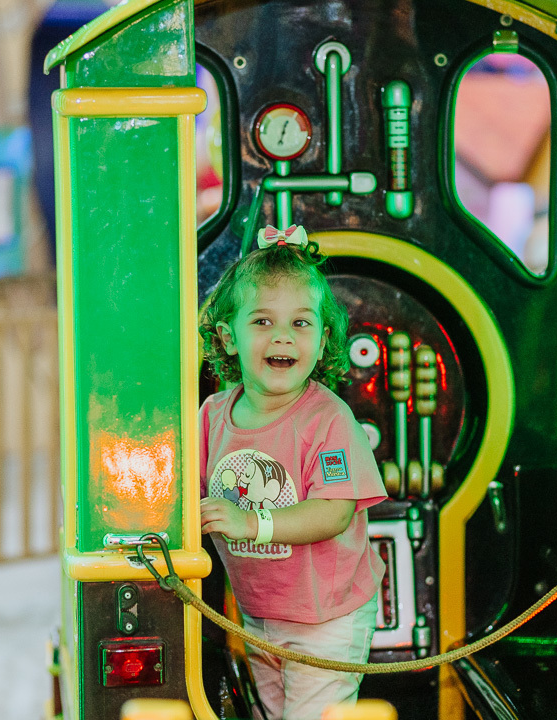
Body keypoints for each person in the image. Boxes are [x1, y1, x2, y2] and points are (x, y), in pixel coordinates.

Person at [198, 224, 387, 720]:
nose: (282, 335)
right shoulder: (213, 416)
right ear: (228, 337)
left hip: (327, 617)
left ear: (323, 342)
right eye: (262, 321)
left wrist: (250, 523)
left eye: (301, 323)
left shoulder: (327, 420)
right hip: (259, 613)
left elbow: (333, 512)